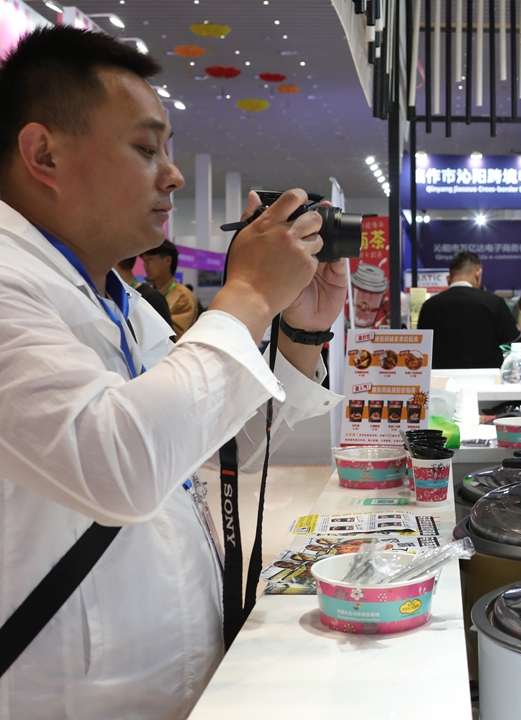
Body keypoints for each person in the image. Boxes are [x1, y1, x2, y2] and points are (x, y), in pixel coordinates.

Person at [0, 26, 345, 720]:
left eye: (170, 150)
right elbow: (117, 467)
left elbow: (201, 450)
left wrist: (299, 332)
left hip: (171, 679)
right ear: (44, 154)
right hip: (65, 696)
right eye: (145, 147)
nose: (173, 175)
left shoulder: (117, 297)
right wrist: (244, 296)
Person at [417, 251, 521, 369]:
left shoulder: (429, 306)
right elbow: (514, 344)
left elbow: (420, 350)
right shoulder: (494, 303)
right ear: (478, 274)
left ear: (448, 278)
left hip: (440, 382)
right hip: (487, 381)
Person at [140, 239, 199, 336]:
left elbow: (174, 336)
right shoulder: (150, 293)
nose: (145, 265)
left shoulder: (183, 297)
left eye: (150, 260)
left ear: (167, 260)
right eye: (144, 261)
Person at [115, 255, 173, 330]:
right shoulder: (111, 295)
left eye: (150, 259)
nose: (145, 265)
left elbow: (168, 339)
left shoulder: (153, 298)